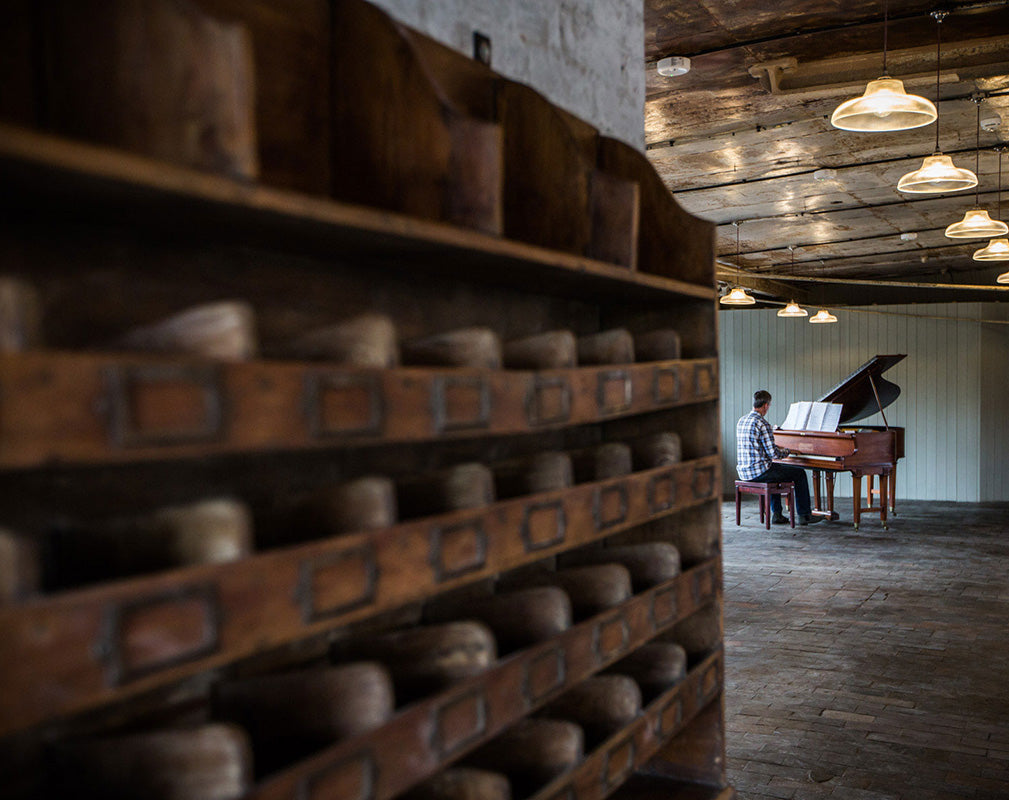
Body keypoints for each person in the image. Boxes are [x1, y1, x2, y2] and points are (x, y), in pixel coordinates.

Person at [736, 389, 821, 525]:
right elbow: (774, 454)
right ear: (765, 405)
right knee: (799, 473)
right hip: (759, 473)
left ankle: (777, 514)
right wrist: (789, 451)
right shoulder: (763, 424)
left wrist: (778, 450)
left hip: (744, 472)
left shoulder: (742, 421)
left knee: (774, 469)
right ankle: (804, 515)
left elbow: (759, 449)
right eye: (769, 405)